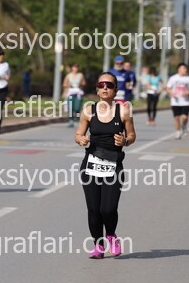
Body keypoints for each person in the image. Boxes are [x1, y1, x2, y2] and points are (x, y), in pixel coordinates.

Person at [75, 72, 136, 259]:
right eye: (101, 85)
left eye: (109, 85)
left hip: (113, 166)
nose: (105, 88)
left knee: (108, 209)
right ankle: (98, 246)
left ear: (116, 90)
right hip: (90, 165)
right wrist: (81, 139)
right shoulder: (88, 111)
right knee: (94, 209)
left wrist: (125, 141)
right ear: (97, 89)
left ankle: (111, 235)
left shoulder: (123, 111)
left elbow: (132, 135)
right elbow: (78, 134)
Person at [166, 63, 189, 139]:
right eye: (184, 68)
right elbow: (168, 88)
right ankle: (178, 132)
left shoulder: (188, 78)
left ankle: (184, 126)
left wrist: (187, 93)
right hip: (175, 101)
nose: (185, 70)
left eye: (186, 68)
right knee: (176, 118)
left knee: (185, 117)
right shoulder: (173, 78)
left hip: (185, 101)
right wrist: (172, 93)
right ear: (179, 69)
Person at [63, 63, 86, 128]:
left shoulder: (80, 75)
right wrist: (69, 84)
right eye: (74, 67)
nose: (75, 69)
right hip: (71, 92)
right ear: (72, 68)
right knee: (70, 107)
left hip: (78, 92)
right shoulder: (68, 75)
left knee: (77, 107)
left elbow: (84, 83)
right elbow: (64, 84)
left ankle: (77, 117)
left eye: (76, 67)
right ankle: (70, 120)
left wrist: (80, 84)